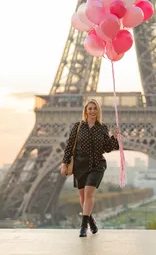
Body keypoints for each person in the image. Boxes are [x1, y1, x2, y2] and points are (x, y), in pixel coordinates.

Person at [60, 98, 120, 237]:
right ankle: (91, 220)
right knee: (82, 196)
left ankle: (83, 226)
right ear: (86, 111)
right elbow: (70, 146)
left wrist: (114, 138)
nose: (92, 111)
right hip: (80, 165)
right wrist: (64, 163)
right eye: (90, 108)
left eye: (95, 108)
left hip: (97, 164)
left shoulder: (102, 128)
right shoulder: (78, 126)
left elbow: (107, 148)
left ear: (98, 110)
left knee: (88, 193)